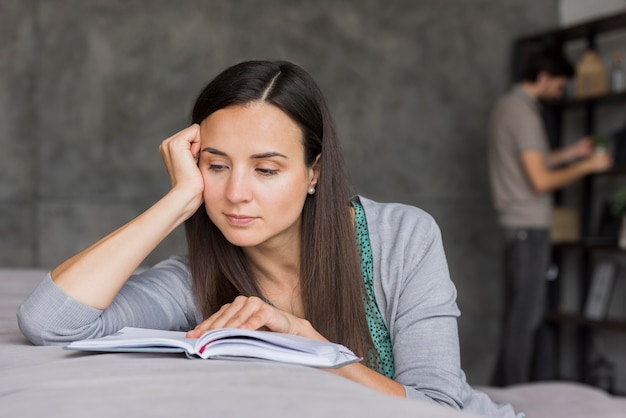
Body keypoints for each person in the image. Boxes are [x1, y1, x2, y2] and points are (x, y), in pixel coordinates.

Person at [18, 60, 519, 416]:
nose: (236, 194)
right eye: (216, 166)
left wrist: (309, 346)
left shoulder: (402, 237)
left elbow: (440, 409)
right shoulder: (195, 281)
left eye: (266, 169)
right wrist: (178, 202)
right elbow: (51, 322)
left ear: (314, 173)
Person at [487, 48, 613, 386]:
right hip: (528, 228)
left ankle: (500, 391)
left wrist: (573, 153)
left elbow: (534, 161)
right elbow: (539, 180)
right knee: (524, 319)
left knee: (517, 316)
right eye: (558, 86)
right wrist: (588, 165)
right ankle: (516, 393)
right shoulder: (525, 114)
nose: (560, 93)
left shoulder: (507, 106)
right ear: (542, 78)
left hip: (516, 227)